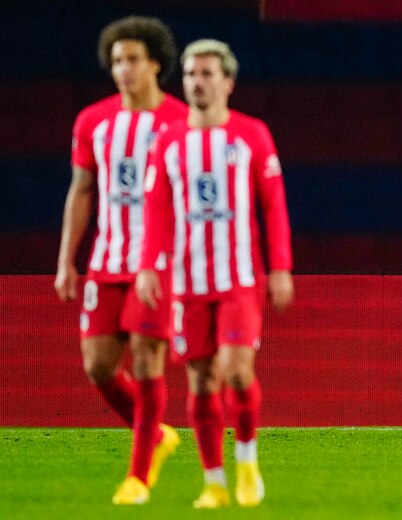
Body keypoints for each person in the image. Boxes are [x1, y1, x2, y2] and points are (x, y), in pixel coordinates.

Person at [136, 39, 294, 508]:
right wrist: (148, 266)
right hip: (187, 283)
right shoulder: (166, 141)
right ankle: (214, 483)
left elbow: (274, 206)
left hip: (239, 279)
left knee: (236, 372)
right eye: (189, 74)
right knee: (201, 381)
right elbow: (156, 211)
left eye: (206, 73)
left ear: (227, 81)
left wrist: (280, 267)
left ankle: (247, 462)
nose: (197, 82)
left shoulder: (252, 135)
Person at [53, 16, 186, 505]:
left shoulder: (180, 121)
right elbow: (82, 189)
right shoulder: (93, 121)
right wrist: (67, 260)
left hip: (161, 264)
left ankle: (138, 476)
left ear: (155, 62)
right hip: (107, 261)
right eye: (116, 61)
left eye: (132, 59)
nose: (122, 70)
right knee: (98, 363)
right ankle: (157, 434)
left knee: (149, 361)